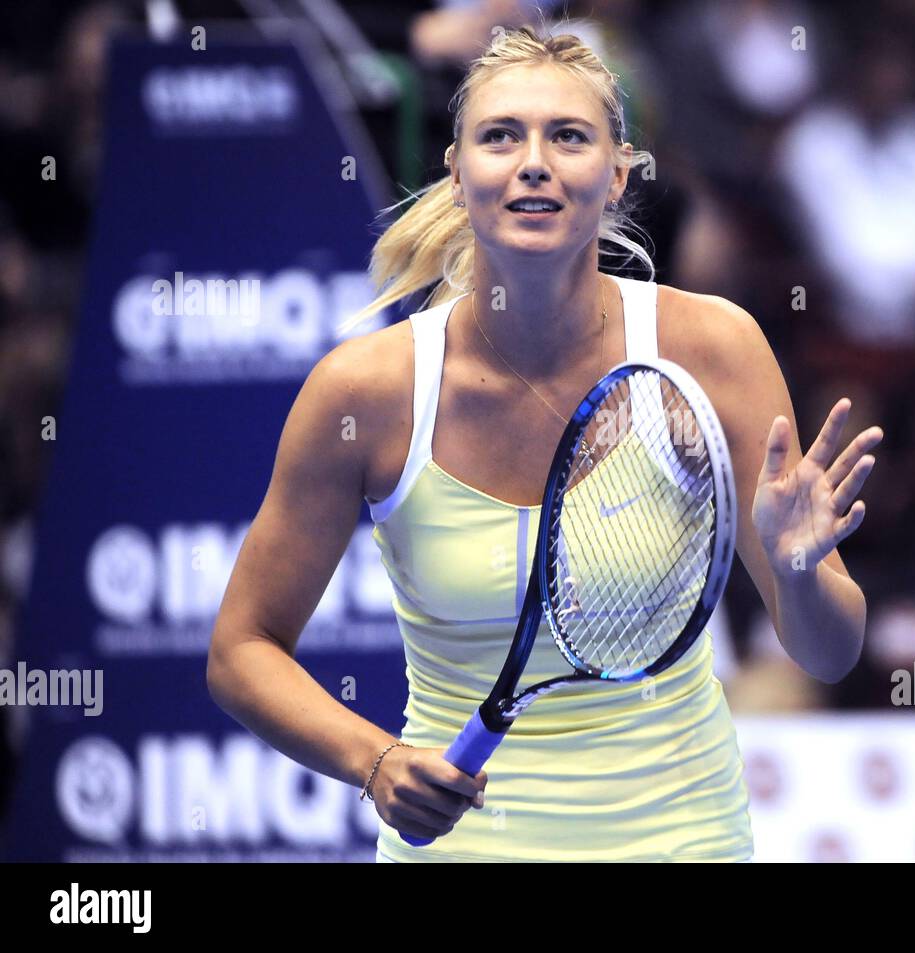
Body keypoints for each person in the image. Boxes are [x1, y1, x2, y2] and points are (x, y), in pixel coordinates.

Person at [207, 25, 880, 862]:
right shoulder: (366, 393)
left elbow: (827, 652)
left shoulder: (711, 349)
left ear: (619, 174)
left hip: (682, 842)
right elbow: (241, 649)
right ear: (457, 174)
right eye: (500, 136)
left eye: (568, 135)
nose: (534, 161)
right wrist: (374, 762)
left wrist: (797, 571)